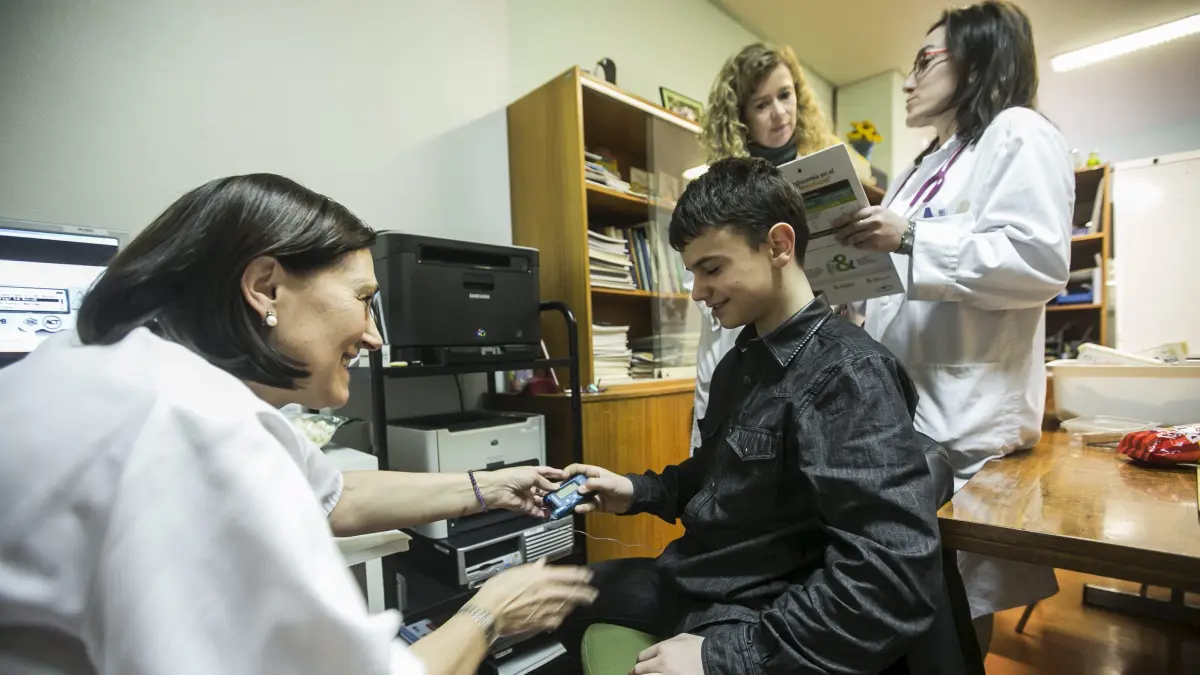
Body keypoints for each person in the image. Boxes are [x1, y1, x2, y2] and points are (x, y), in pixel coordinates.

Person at [0, 174, 597, 675]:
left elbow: (333, 496)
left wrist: (489, 486)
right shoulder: (191, 423)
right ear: (265, 288)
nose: (374, 336)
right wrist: (489, 613)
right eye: (363, 299)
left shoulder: (114, 368)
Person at [557, 157, 958, 675]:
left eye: (712, 269)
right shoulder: (741, 361)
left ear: (779, 246)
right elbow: (716, 478)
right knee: (550, 597)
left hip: (757, 607)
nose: (698, 292)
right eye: (692, 273)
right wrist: (634, 490)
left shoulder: (849, 375)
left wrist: (721, 657)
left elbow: (891, 581)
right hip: (702, 576)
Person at [831, 0, 1073, 653]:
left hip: (968, 421)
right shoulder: (920, 167)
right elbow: (902, 285)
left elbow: (1037, 261)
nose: (909, 81)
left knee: (961, 601)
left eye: (924, 61)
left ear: (977, 57)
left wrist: (910, 235)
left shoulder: (1017, 133)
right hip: (903, 419)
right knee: (911, 596)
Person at [687, 42, 871, 453]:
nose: (780, 112)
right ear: (740, 117)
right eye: (762, 104)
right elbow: (702, 279)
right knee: (731, 467)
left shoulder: (827, 171)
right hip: (742, 350)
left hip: (815, 342)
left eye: (785, 95)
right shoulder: (717, 189)